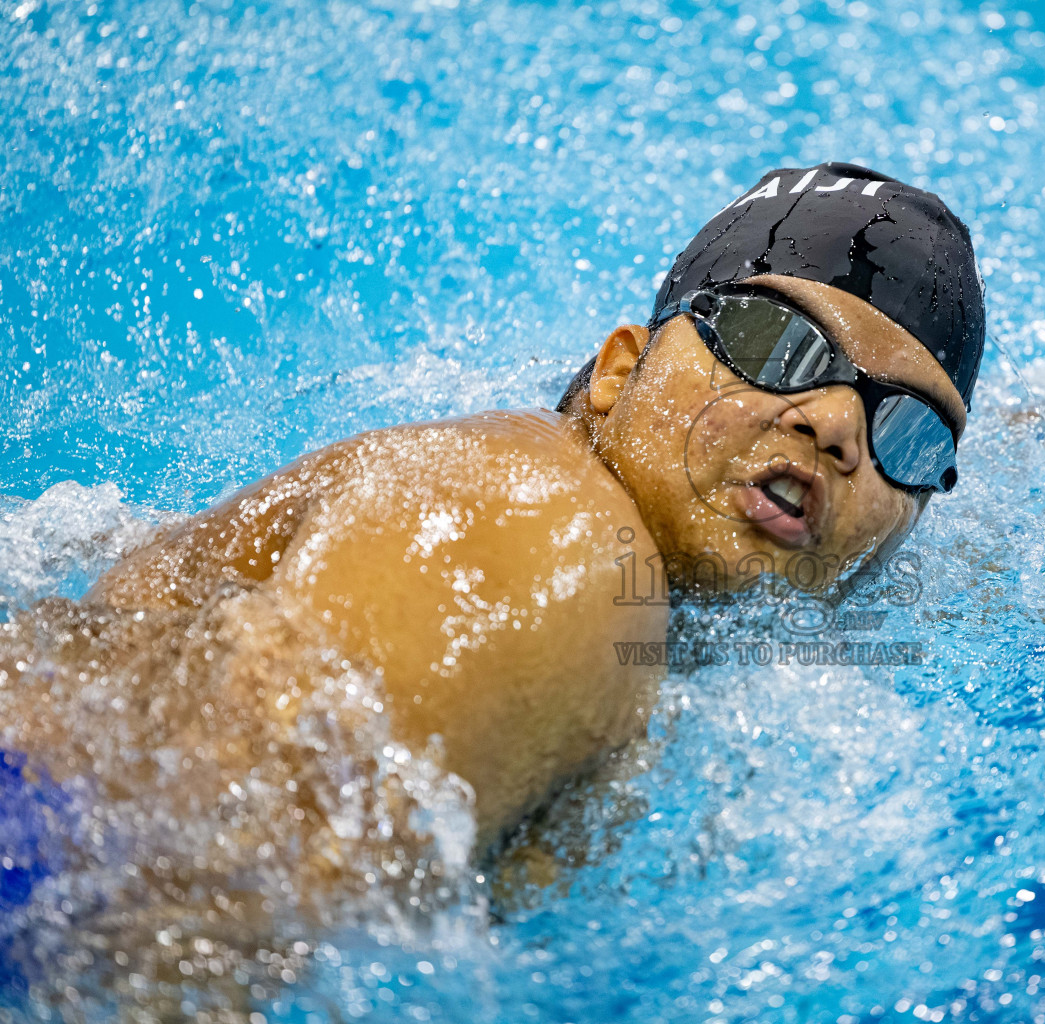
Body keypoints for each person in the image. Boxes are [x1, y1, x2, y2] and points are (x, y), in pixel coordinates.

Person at [68, 161, 988, 847]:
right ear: (619, 371)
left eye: (909, 433)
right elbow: (197, 877)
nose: (836, 426)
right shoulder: (547, 530)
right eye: (777, 340)